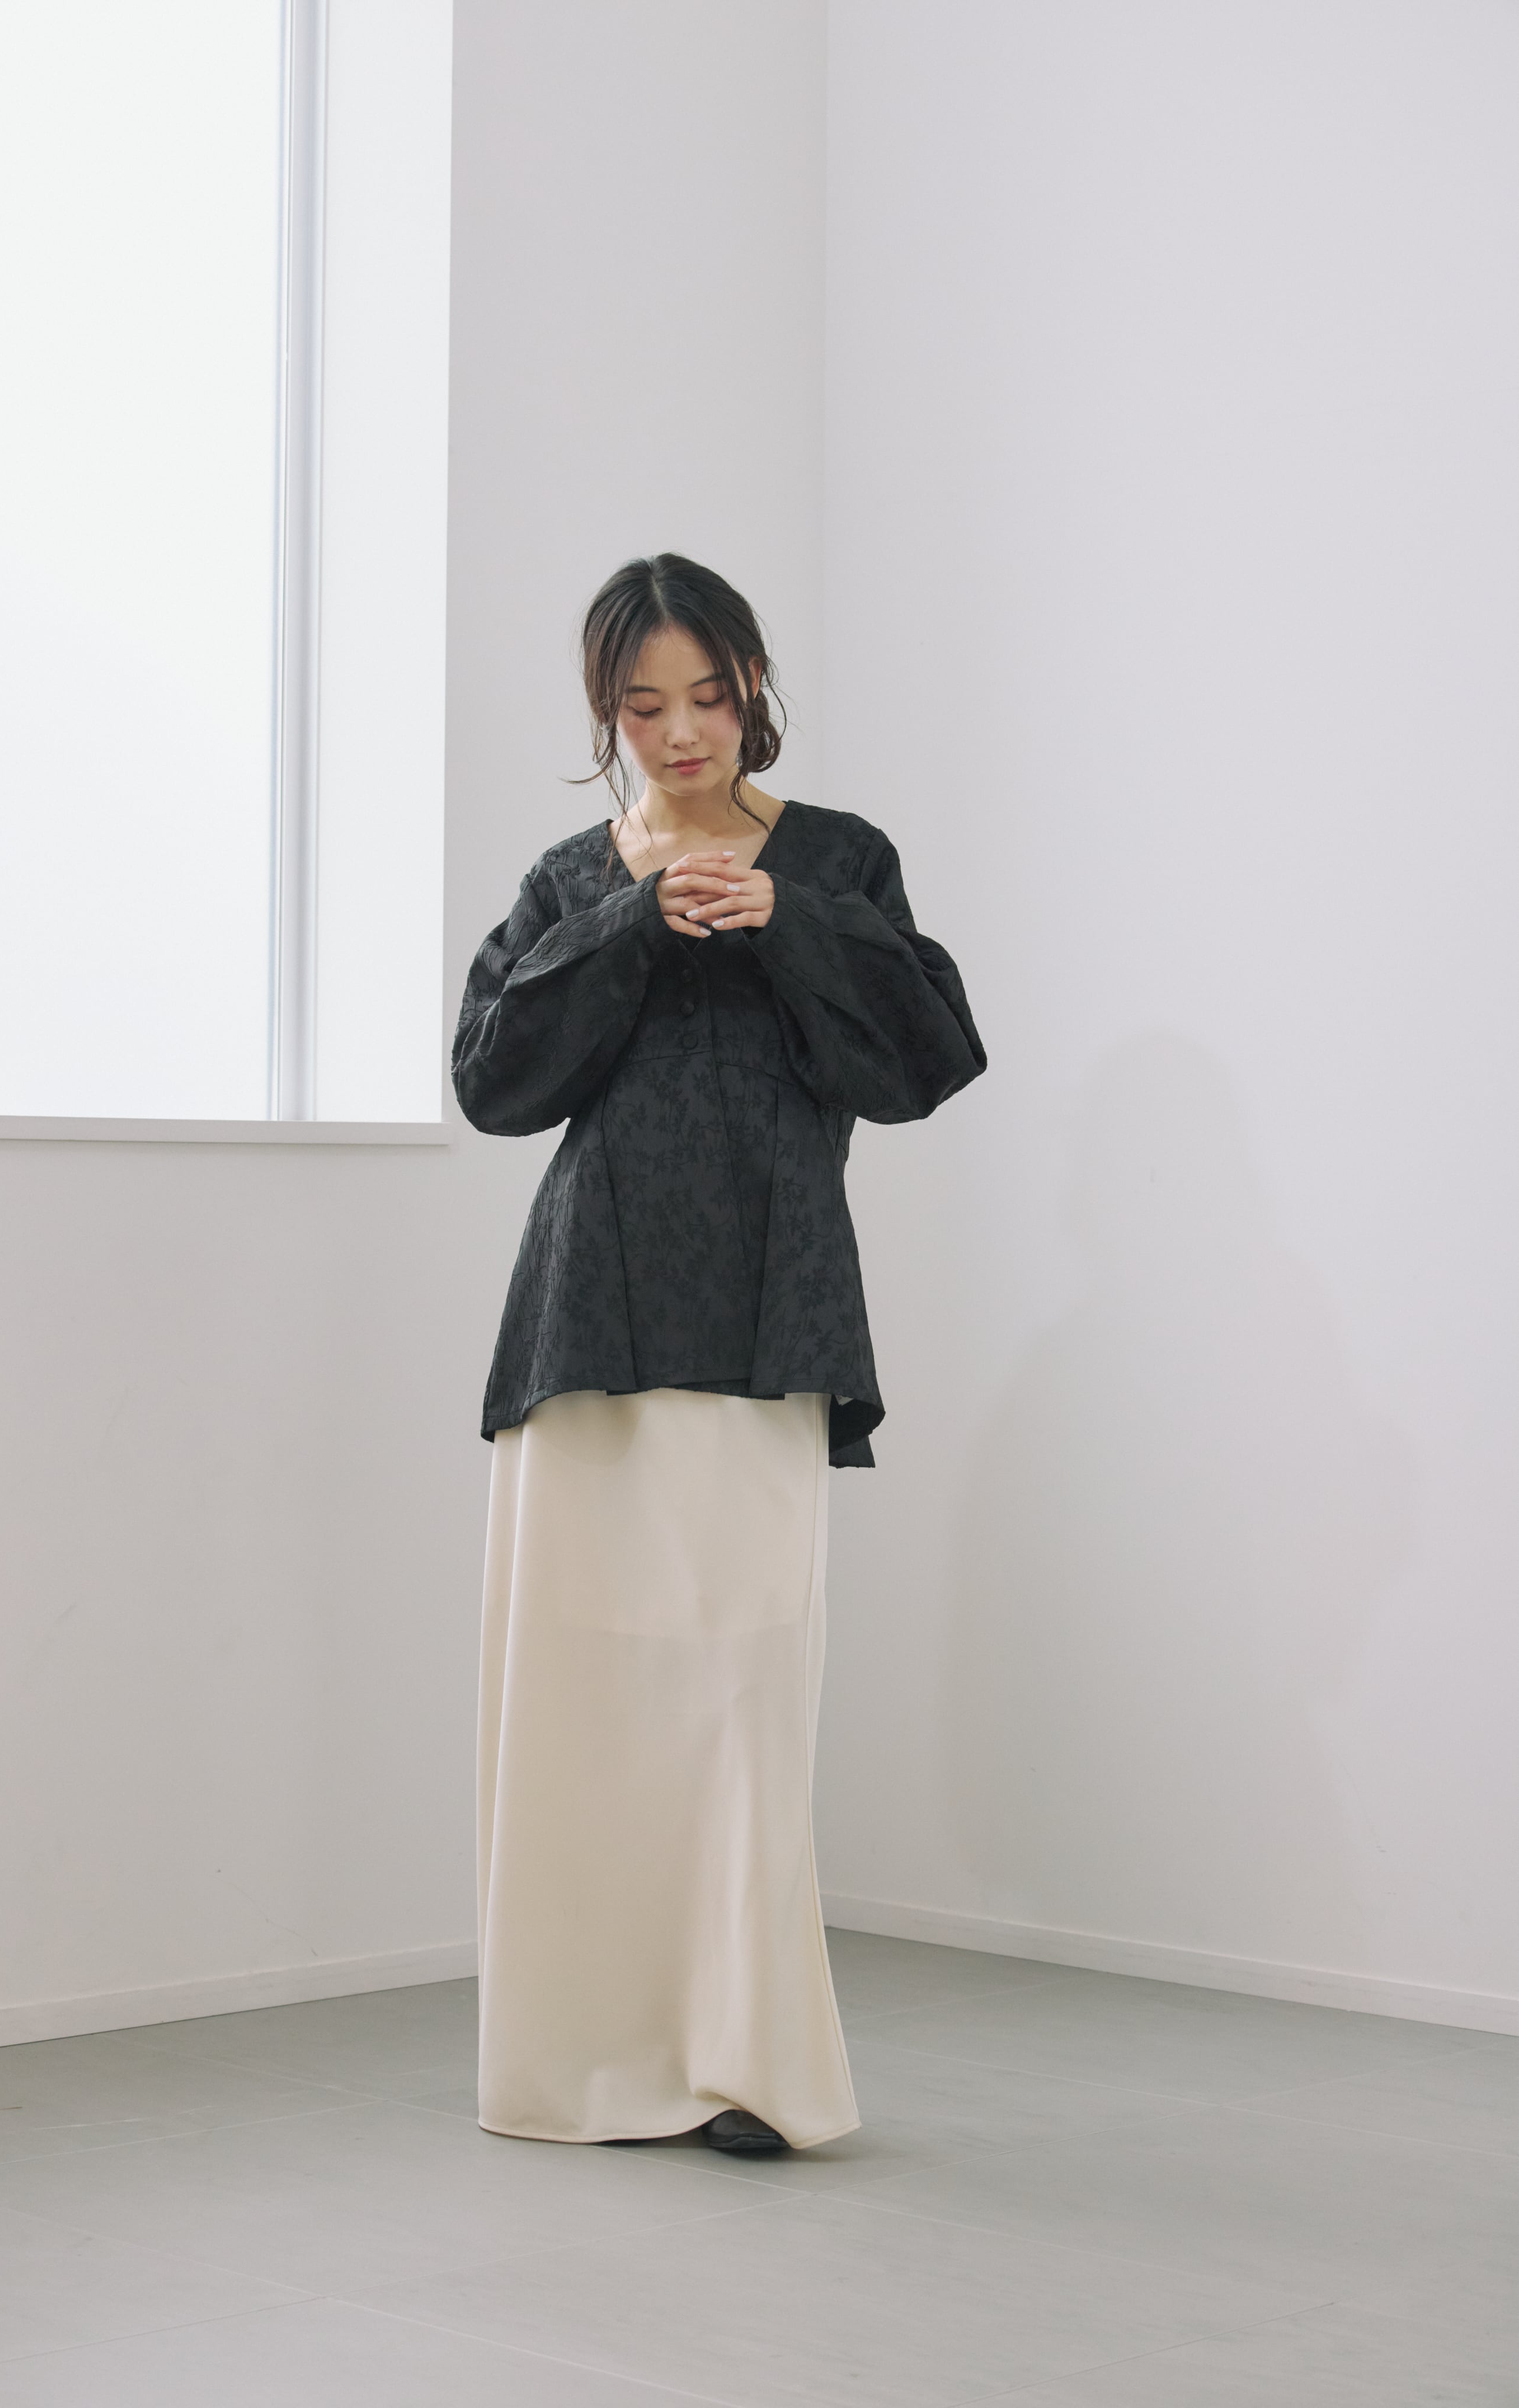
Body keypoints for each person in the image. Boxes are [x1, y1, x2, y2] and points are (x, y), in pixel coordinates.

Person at [452, 553, 985, 2156]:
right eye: (641, 707)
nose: (680, 734)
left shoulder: (839, 861)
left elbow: (923, 1063)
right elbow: (495, 1084)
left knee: (743, 1696)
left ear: (752, 685)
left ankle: (747, 2066)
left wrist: (786, 922)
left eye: (706, 696)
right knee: (585, 1702)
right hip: (589, 1321)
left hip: (768, 1313)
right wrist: (631, 918)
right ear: (604, 716)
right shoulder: (570, 880)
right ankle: (579, 2060)